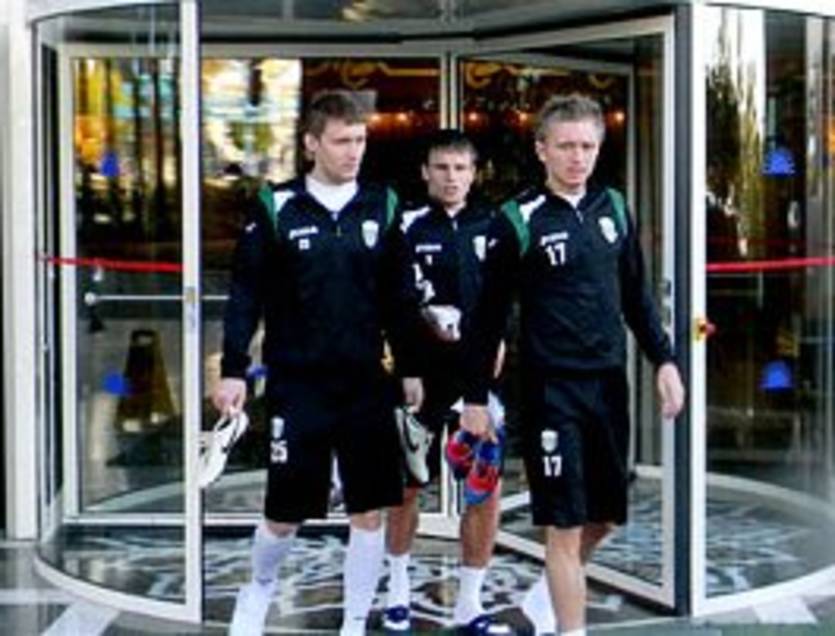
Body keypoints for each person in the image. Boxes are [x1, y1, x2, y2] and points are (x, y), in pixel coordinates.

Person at [461, 94, 685, 636]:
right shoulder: (516, 220)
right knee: (563, 526)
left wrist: (664, 360)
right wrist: (474, 398)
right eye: (566, 146)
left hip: (608, 385)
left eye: (587, 146)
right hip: (551, 392)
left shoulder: (614, 207)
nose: (577, 157)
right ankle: (569, 627)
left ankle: (544, 603)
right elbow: (486, 318)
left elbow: (636, 296)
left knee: (604, 517)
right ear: (542, 150)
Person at [213, 90, 422, 636]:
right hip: (298, 382)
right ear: (311, 143)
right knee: (285, 511)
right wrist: (233, 368)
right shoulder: (277, 206)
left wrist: (410, 368)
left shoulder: (383, 204)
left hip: (364, 383)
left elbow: (400, 296)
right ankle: (258, 589)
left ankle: (354, 621)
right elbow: (245, 293)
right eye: (341, 141)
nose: (354, 151)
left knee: (368, 510)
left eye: (360, 140)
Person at [383, 130, 509, 635]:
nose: (451, 177)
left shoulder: (497, 223)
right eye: (441, 168)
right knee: (406, 486)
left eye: (460, 168)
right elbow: (391, 303)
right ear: (425, 172)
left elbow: (515, 295)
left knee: (484, 488)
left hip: (479, 379)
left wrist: (505, 339)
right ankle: (397, 592)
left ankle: (470, 604)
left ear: (474, 173)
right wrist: (407, 364)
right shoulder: (405, 223)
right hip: (421, 378)